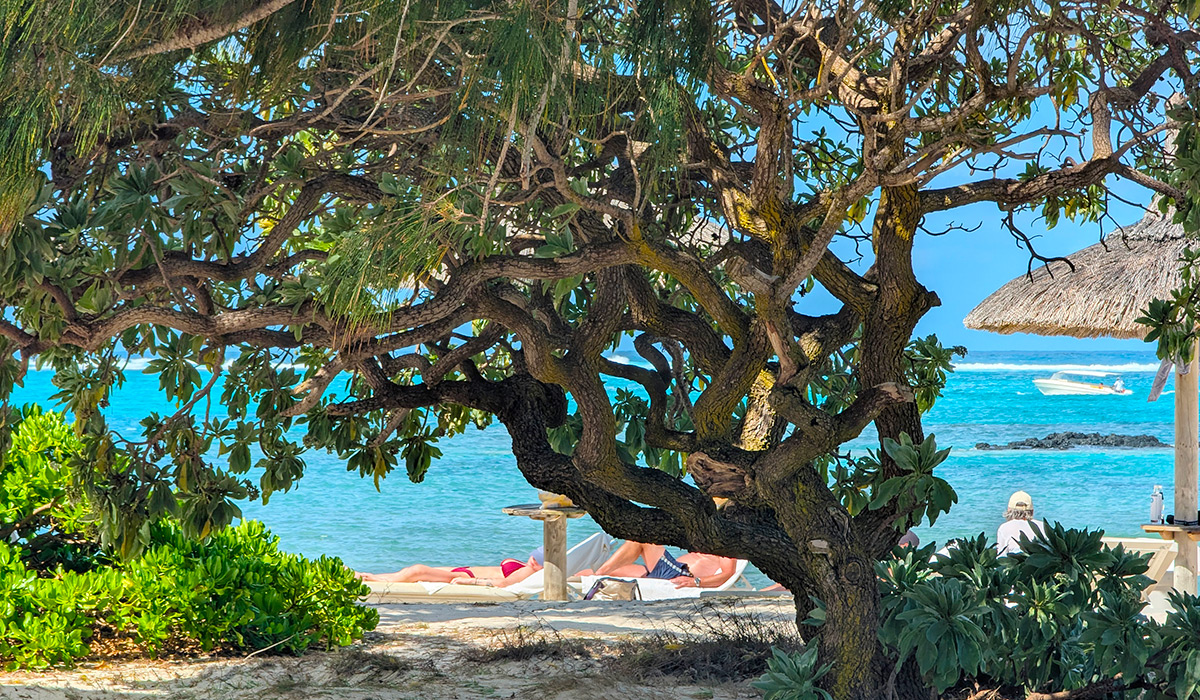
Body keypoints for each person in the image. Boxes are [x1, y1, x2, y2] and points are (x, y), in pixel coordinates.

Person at [577, 540, 738, 589]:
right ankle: (583, 580)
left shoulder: (725, 544)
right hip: (668, 572)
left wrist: (695, 582)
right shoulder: (708, 537)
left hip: (679, 576)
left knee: (641, 540)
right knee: (600, 572)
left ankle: (598, 574)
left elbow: (728, 573)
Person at [355, 553, 543, 587]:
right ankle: (366, 577)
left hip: (463, 575)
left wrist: (469, 582)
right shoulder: (531, 567)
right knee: (407, 572)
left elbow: (503, 583)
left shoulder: (530, 572)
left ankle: (370, 580)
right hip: (462, 569)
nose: (534, 557)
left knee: (416, 571)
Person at [996, 490, 1046, 556]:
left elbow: (1001, 557)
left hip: (1016, 564)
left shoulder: (1004, 528)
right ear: (1032, 511)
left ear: (1009, 510)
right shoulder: (1042, 526)